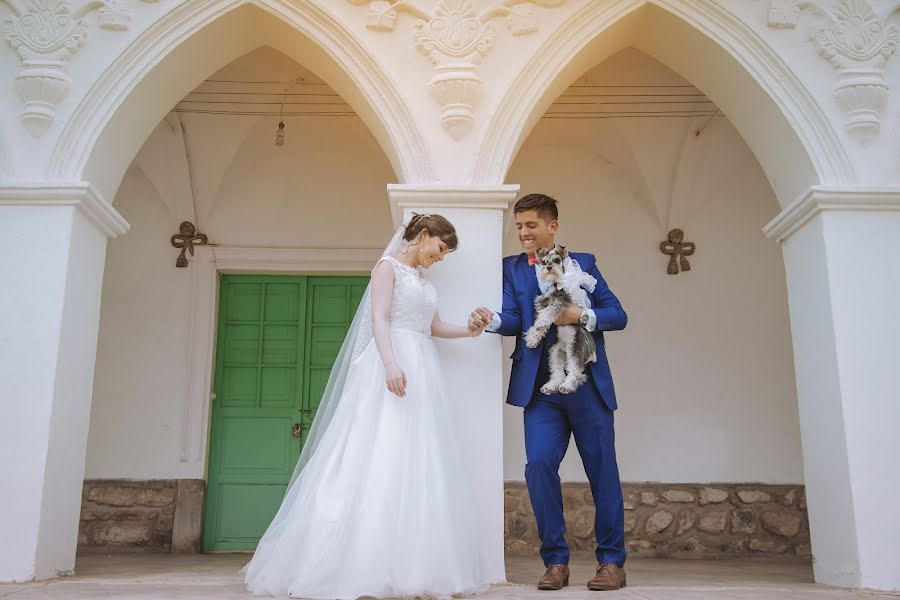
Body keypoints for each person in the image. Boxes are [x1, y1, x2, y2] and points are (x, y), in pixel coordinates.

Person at [243, 214, 495, 599]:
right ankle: (356, 567)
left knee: (418, 460)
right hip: (390, 363)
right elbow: (378, 318)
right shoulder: (386, 268)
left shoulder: (425, 283)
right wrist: (391, 363)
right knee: (376, 454)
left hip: (423, 371)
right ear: (423, 236)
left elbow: (435, 326)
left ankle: (414, 568)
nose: (441, 258)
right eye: (441, 249)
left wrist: (471, 330)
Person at [468, 193, 628, 591]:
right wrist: (490, 320)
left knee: (602, 473)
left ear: (552, 226)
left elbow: (618, 314)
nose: (523, 233)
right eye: (519, 226)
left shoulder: (584, 263)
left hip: (588, 385)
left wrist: (583, 315)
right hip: (540, 389)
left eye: (531, 225)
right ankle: (556, 561)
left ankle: (612, 562)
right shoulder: (511, 269)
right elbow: (514, 319)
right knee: (538, 466)